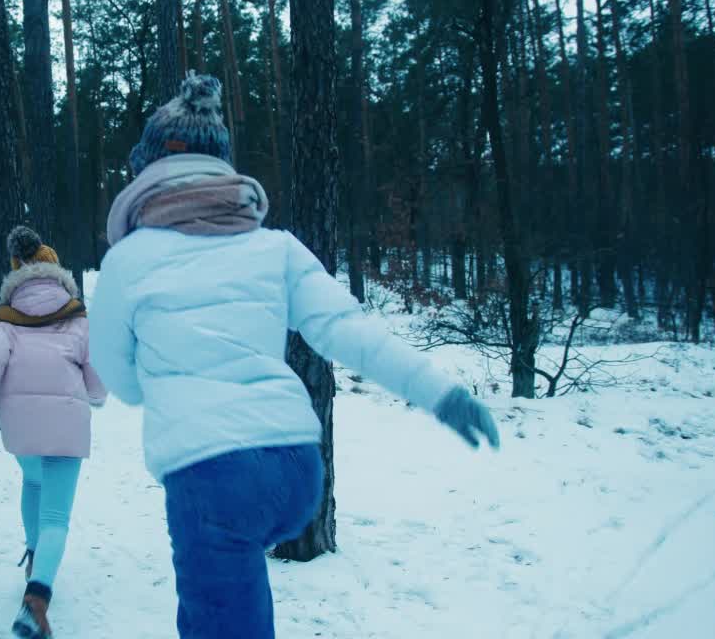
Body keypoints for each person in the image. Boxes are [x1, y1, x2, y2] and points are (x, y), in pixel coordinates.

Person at [88, 73, 501, 639]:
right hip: (295, 470)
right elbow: (349, 331)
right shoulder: (275, 247)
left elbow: (119, 379)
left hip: (210, 476)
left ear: (148, 173)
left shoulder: (128, 261)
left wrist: (154, 383)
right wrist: (440, 393)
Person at [0, 226, 107, 639]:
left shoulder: (5, 322)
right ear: (58, 274)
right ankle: (35, 602)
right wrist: (97, 394)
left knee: (32, 479)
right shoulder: (78, 320)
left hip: (20, 428)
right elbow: (96, 377)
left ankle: (35, 556)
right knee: (56, 514)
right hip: (68, 425)